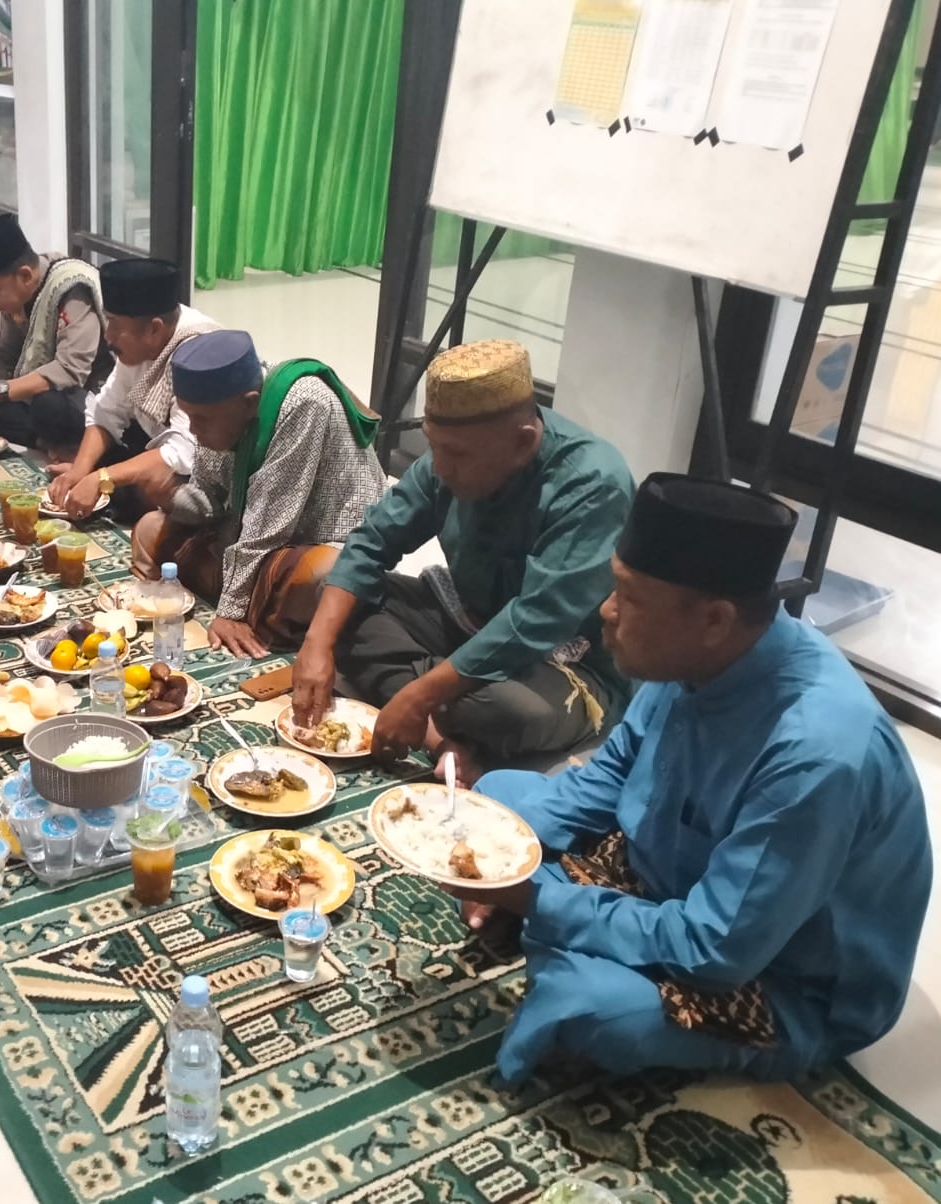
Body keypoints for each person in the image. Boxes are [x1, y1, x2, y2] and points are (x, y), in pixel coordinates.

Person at [457, 474, 932, 1086]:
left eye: (629, 597)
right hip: (666, 881)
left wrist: (532, 899)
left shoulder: (816, 754)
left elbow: (715, 949)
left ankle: (568, 957)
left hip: (781, 973)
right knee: (498, 801)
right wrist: (499, 857)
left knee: (595, 1010)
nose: (606, 611)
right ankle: (568, 942)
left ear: (713, 619)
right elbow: (607, 778)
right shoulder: (692, 655)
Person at [294, 340, 635, 783]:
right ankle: (442, 734)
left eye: (456, 454)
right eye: (433, 447)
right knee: (331, 596)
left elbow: (533, 623)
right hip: (467, 621)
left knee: (507, 711)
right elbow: (372, 541)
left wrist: (418, 695)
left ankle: (422, 695)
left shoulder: (593, 484)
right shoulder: (447, 458)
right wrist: (316, 645)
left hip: (561, 662)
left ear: (523, 443)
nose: (439, 467)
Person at [132, 330, 387, 657]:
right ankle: (255, 602)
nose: (193, 430)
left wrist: (230, 612)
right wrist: (171, 497)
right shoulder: (221, 411)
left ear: (249, 403)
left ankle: (250, 603)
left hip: (317, 542)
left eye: (201, 420)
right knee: (150, 527)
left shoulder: (302, 403)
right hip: (252, 541)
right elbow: (210, 502)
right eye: (189, 416)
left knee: (323, 575)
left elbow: (269, 525)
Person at [46, 257, 214, 522]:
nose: (108, 336)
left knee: (155, 485)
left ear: (155, 329)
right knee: (53, 410)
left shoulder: (197, 354)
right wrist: (80, 471)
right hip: (152, 440)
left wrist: (102, 477)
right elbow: (107, 411)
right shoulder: (139, 346)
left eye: (114, 324)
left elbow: (183, 452)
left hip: (206, 471)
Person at [0, 214, 112, 455]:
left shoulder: (71, 288)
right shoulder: (17, 297)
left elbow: (70, 370)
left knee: (49, 406)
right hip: (46, 397)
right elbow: (4, 355)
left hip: (90, 396)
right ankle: (50, 441)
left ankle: (83, 447)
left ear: (25, 275)